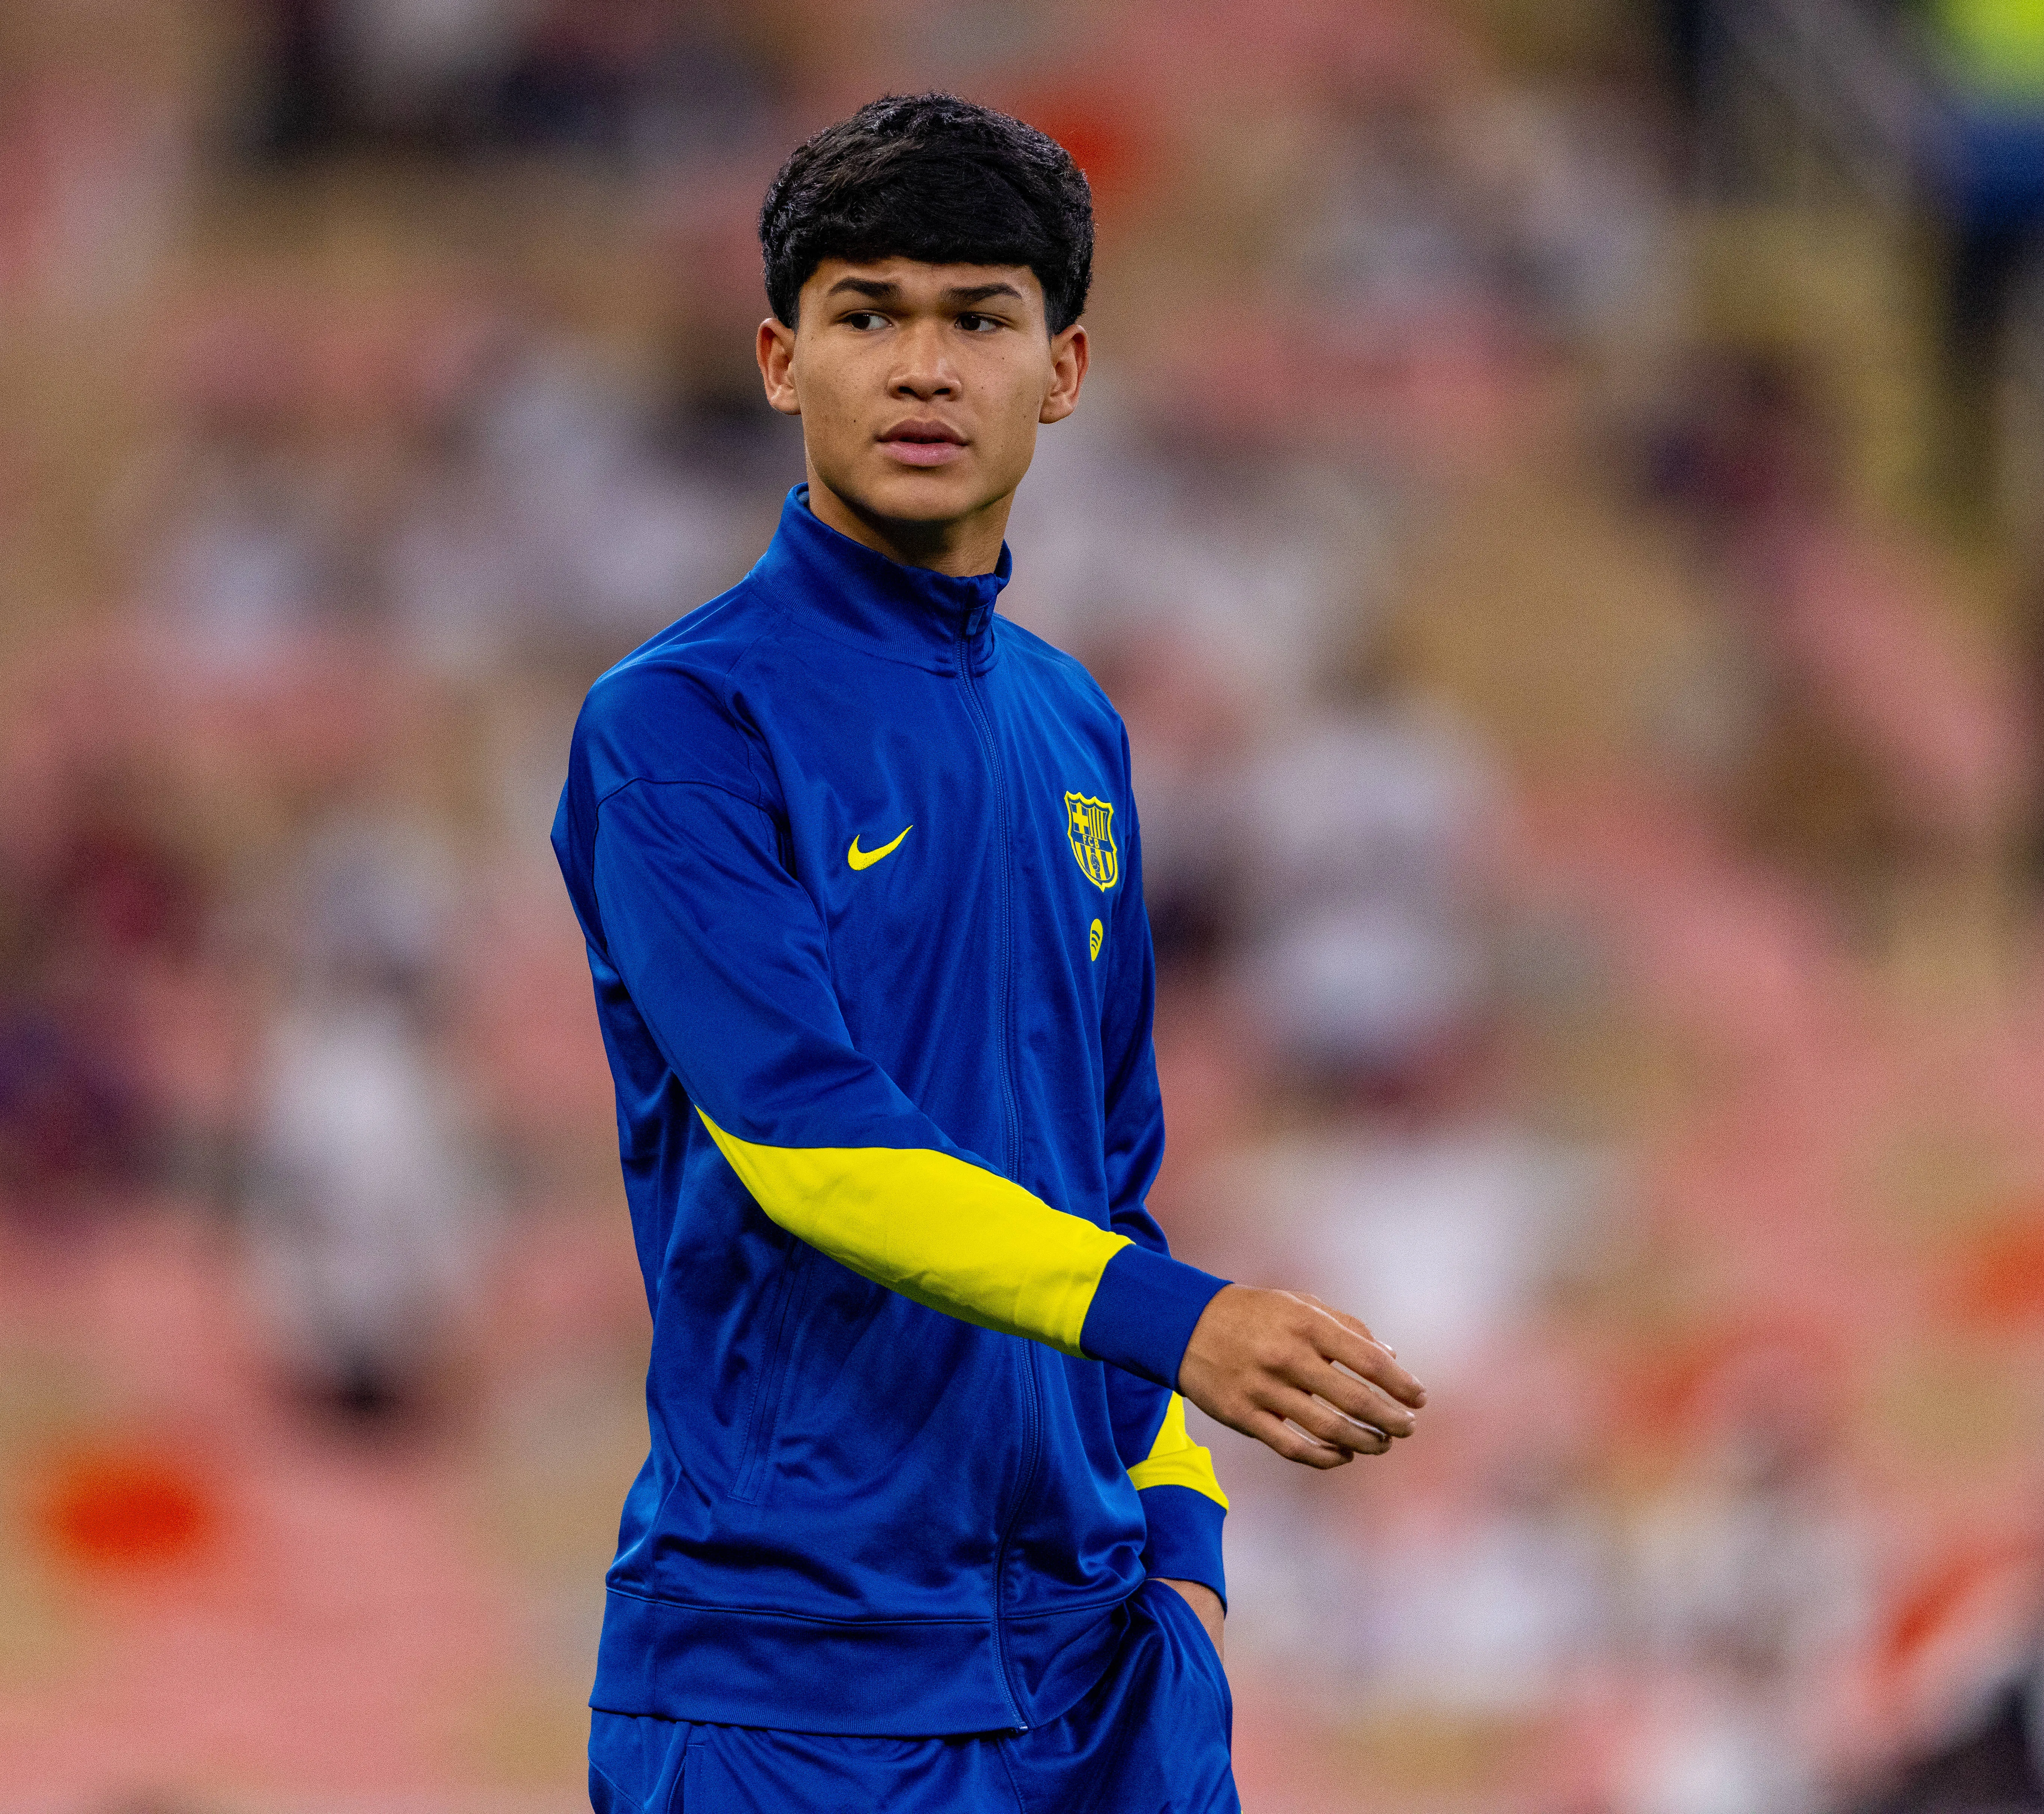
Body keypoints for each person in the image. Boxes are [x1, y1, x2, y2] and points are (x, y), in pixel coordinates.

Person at [550, 95, 1428, 1813]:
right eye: (865, 314)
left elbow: (1110, 1174)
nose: (922, 368)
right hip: (797, 1677)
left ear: (1067, 367)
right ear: (777, 358)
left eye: (977, 317)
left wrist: (1181, 1560)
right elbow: (805, 1139)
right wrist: (1181, 1329)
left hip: (1100, 1673)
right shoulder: (681, 723)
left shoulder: (1072, 725)